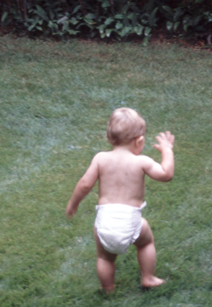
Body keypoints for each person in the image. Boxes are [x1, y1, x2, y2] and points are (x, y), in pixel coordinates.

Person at [65, 107, 174, 293]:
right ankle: (148, 277)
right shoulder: (142, 162)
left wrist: (73, 204)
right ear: (139, 141)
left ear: (110, 138)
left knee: (105, 258)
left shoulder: (100, 158)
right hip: (130, 221)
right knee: (146, 242)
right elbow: (166, 174)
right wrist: (167, 150)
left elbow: (84, 184)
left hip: (104, 222)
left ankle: (108, 288)